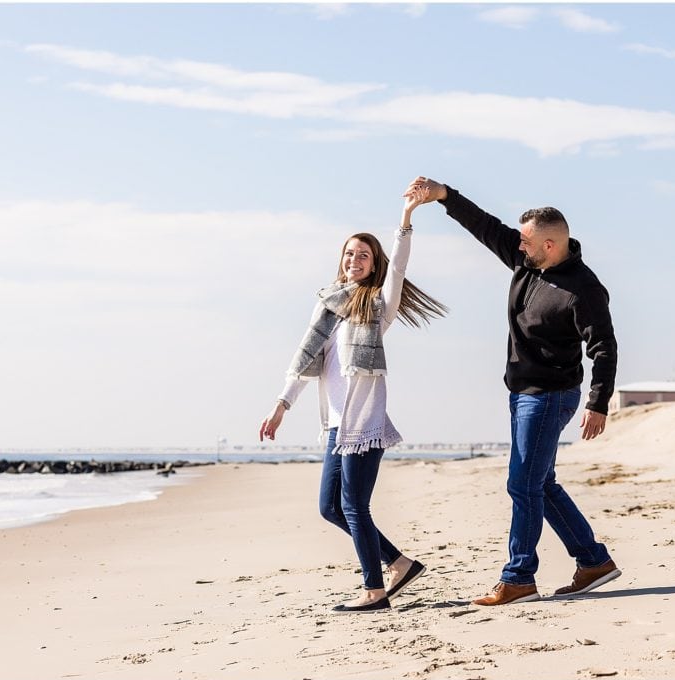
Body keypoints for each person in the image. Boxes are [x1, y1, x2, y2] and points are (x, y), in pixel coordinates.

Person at [404, 176, 621, 606]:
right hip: (522, 393)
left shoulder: (584, 288)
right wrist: (443, 195)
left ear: (550, 245)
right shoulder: (526, 261)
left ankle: (519, 576)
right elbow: (482, 225)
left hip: (550, 395)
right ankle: (593, 561)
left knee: (522, 485)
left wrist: (598, 403)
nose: (518, 245)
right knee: (540, 483)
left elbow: (604, 347)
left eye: (526, 241)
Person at [259, 188, 447, 613]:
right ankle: (399, 563)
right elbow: (306, 361)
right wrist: (281, 405)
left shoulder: (378, 305)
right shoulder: (327, 307)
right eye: (349, 254)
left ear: (373, 263)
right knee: (330, 508)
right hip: (334, 425)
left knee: (354, 507)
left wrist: (406, 216)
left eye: (363, 255)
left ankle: (374, 590)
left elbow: (398, 265)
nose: (354, 260)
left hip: (363, 425)